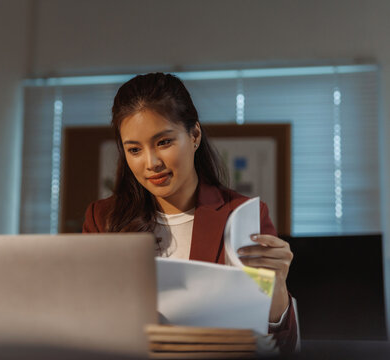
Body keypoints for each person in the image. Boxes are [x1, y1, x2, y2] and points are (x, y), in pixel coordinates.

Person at [82, 72, 297, 352]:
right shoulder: (103, 219)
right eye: (134, 149)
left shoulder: (241, 216)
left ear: (194, 135)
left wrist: (277, 288)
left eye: (164, 142)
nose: (152, 163)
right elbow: (86, 324)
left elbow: (281, 347)